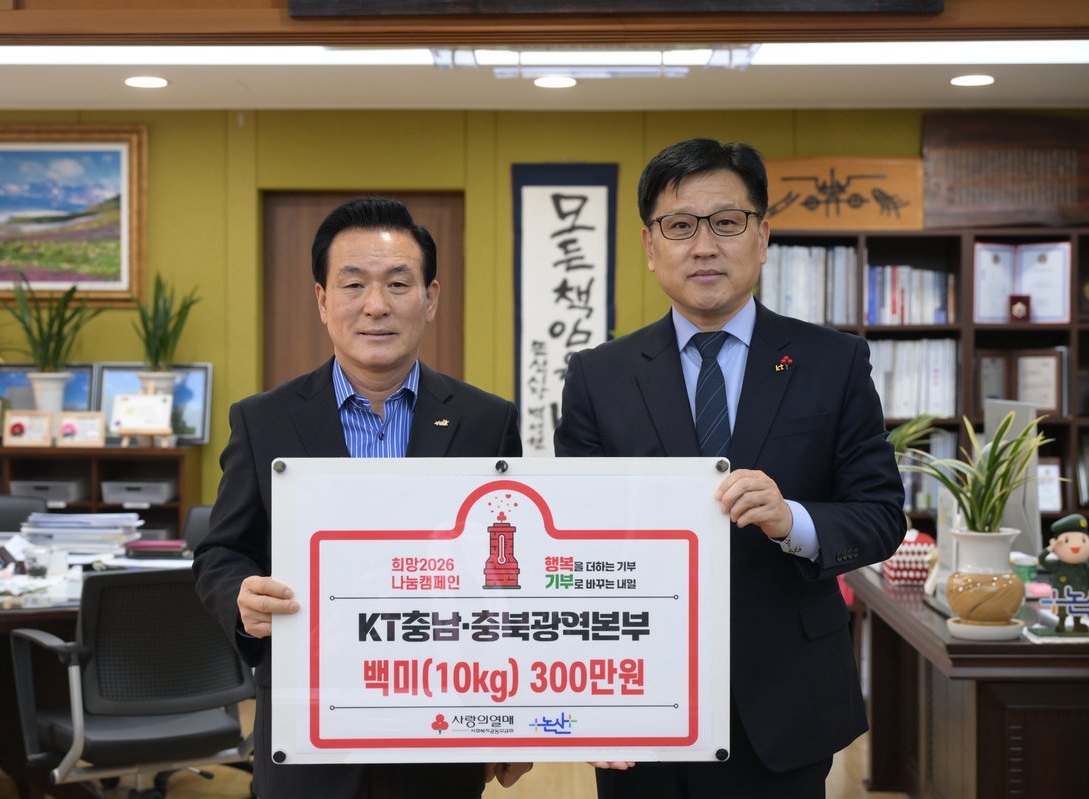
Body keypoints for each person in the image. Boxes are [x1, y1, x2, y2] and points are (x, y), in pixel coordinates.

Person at [554, 138, 907, 798]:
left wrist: (793, 521)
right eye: (679, 226)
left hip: (787, 698)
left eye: (726, 222)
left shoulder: (832, 362)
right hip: (641, 695)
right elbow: (572, 544)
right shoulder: (599, 376)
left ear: (762, 236)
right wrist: (589, 696)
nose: (704, 246)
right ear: (650, 245)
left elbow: (882, 515)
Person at [194, 197, 530, 799]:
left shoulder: (487, 421)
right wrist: (239, 594)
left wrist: (514, 718)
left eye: (398, 284)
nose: (376, 305)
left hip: (442, 718)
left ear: (430, 298)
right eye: (353, 284)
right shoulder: (263, 420)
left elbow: (514, 576)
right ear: (323, 300)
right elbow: (221, 552)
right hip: (307, 720)